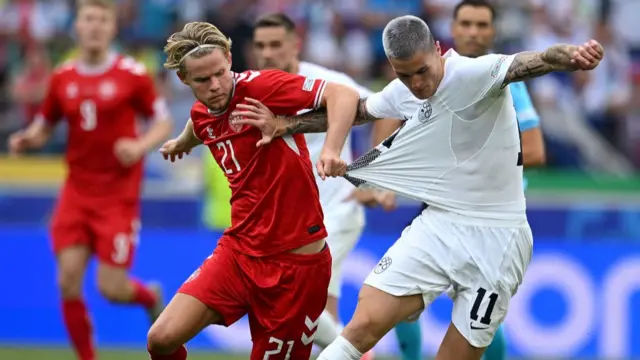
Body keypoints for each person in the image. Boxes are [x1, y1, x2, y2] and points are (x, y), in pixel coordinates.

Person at [230, 15, 603, 360]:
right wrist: (285, 126)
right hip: (439, 225)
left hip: (499, 237)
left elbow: (533, 60)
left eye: (423, 71)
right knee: (360, 326)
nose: (417, 84)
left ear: (438, 51)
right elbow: (357, 111)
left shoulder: (473, 72)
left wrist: (571, 55)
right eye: (405, 75)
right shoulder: (404, 90)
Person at [148, 21, 361, 360]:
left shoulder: (263, 87)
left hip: (296, 266)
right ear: (183, 80)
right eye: (203, 80)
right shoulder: (201, 112)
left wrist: (331, 149)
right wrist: (181, 142)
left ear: (230, 59)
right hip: (239, 253)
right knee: (161, 339)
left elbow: (344, 95)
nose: (216, 85)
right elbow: (200, 121)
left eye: (220, 73)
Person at [369, 2, 546, 359]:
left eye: (482, 25)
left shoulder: (505, 77)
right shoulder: (421, 75)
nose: (473, 32)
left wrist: (478, 163)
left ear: (493, 32)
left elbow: (537, 151)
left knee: (478, 315)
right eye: (465, 23)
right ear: (449, 31)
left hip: (493, 217)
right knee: (401, 294)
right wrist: (381, 180)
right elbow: (384, 122)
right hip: (442, 203)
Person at [6, 1, 173, 360]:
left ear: (113, 28)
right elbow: (46, 123)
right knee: (67, 280)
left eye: (102, 20)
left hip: (118, 196)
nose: (95, 26)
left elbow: (162, 122)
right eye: (88, 19)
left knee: (111, 289)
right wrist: (29, 138)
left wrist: (140, 144)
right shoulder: (63, 76)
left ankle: (149, 297)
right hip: (76, 192)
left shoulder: (133, 75)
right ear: (77, 26)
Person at [252, 12, 385, 357]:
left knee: (303, 309)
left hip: (335, 210)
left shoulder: (326, 82)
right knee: (320, 316)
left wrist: (370, 175)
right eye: (261, 46)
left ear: (295, 44)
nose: (267, 53)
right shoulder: (253, 91)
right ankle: (356, 351)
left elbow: (388, 111)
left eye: (276, 44)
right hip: (291, 222)